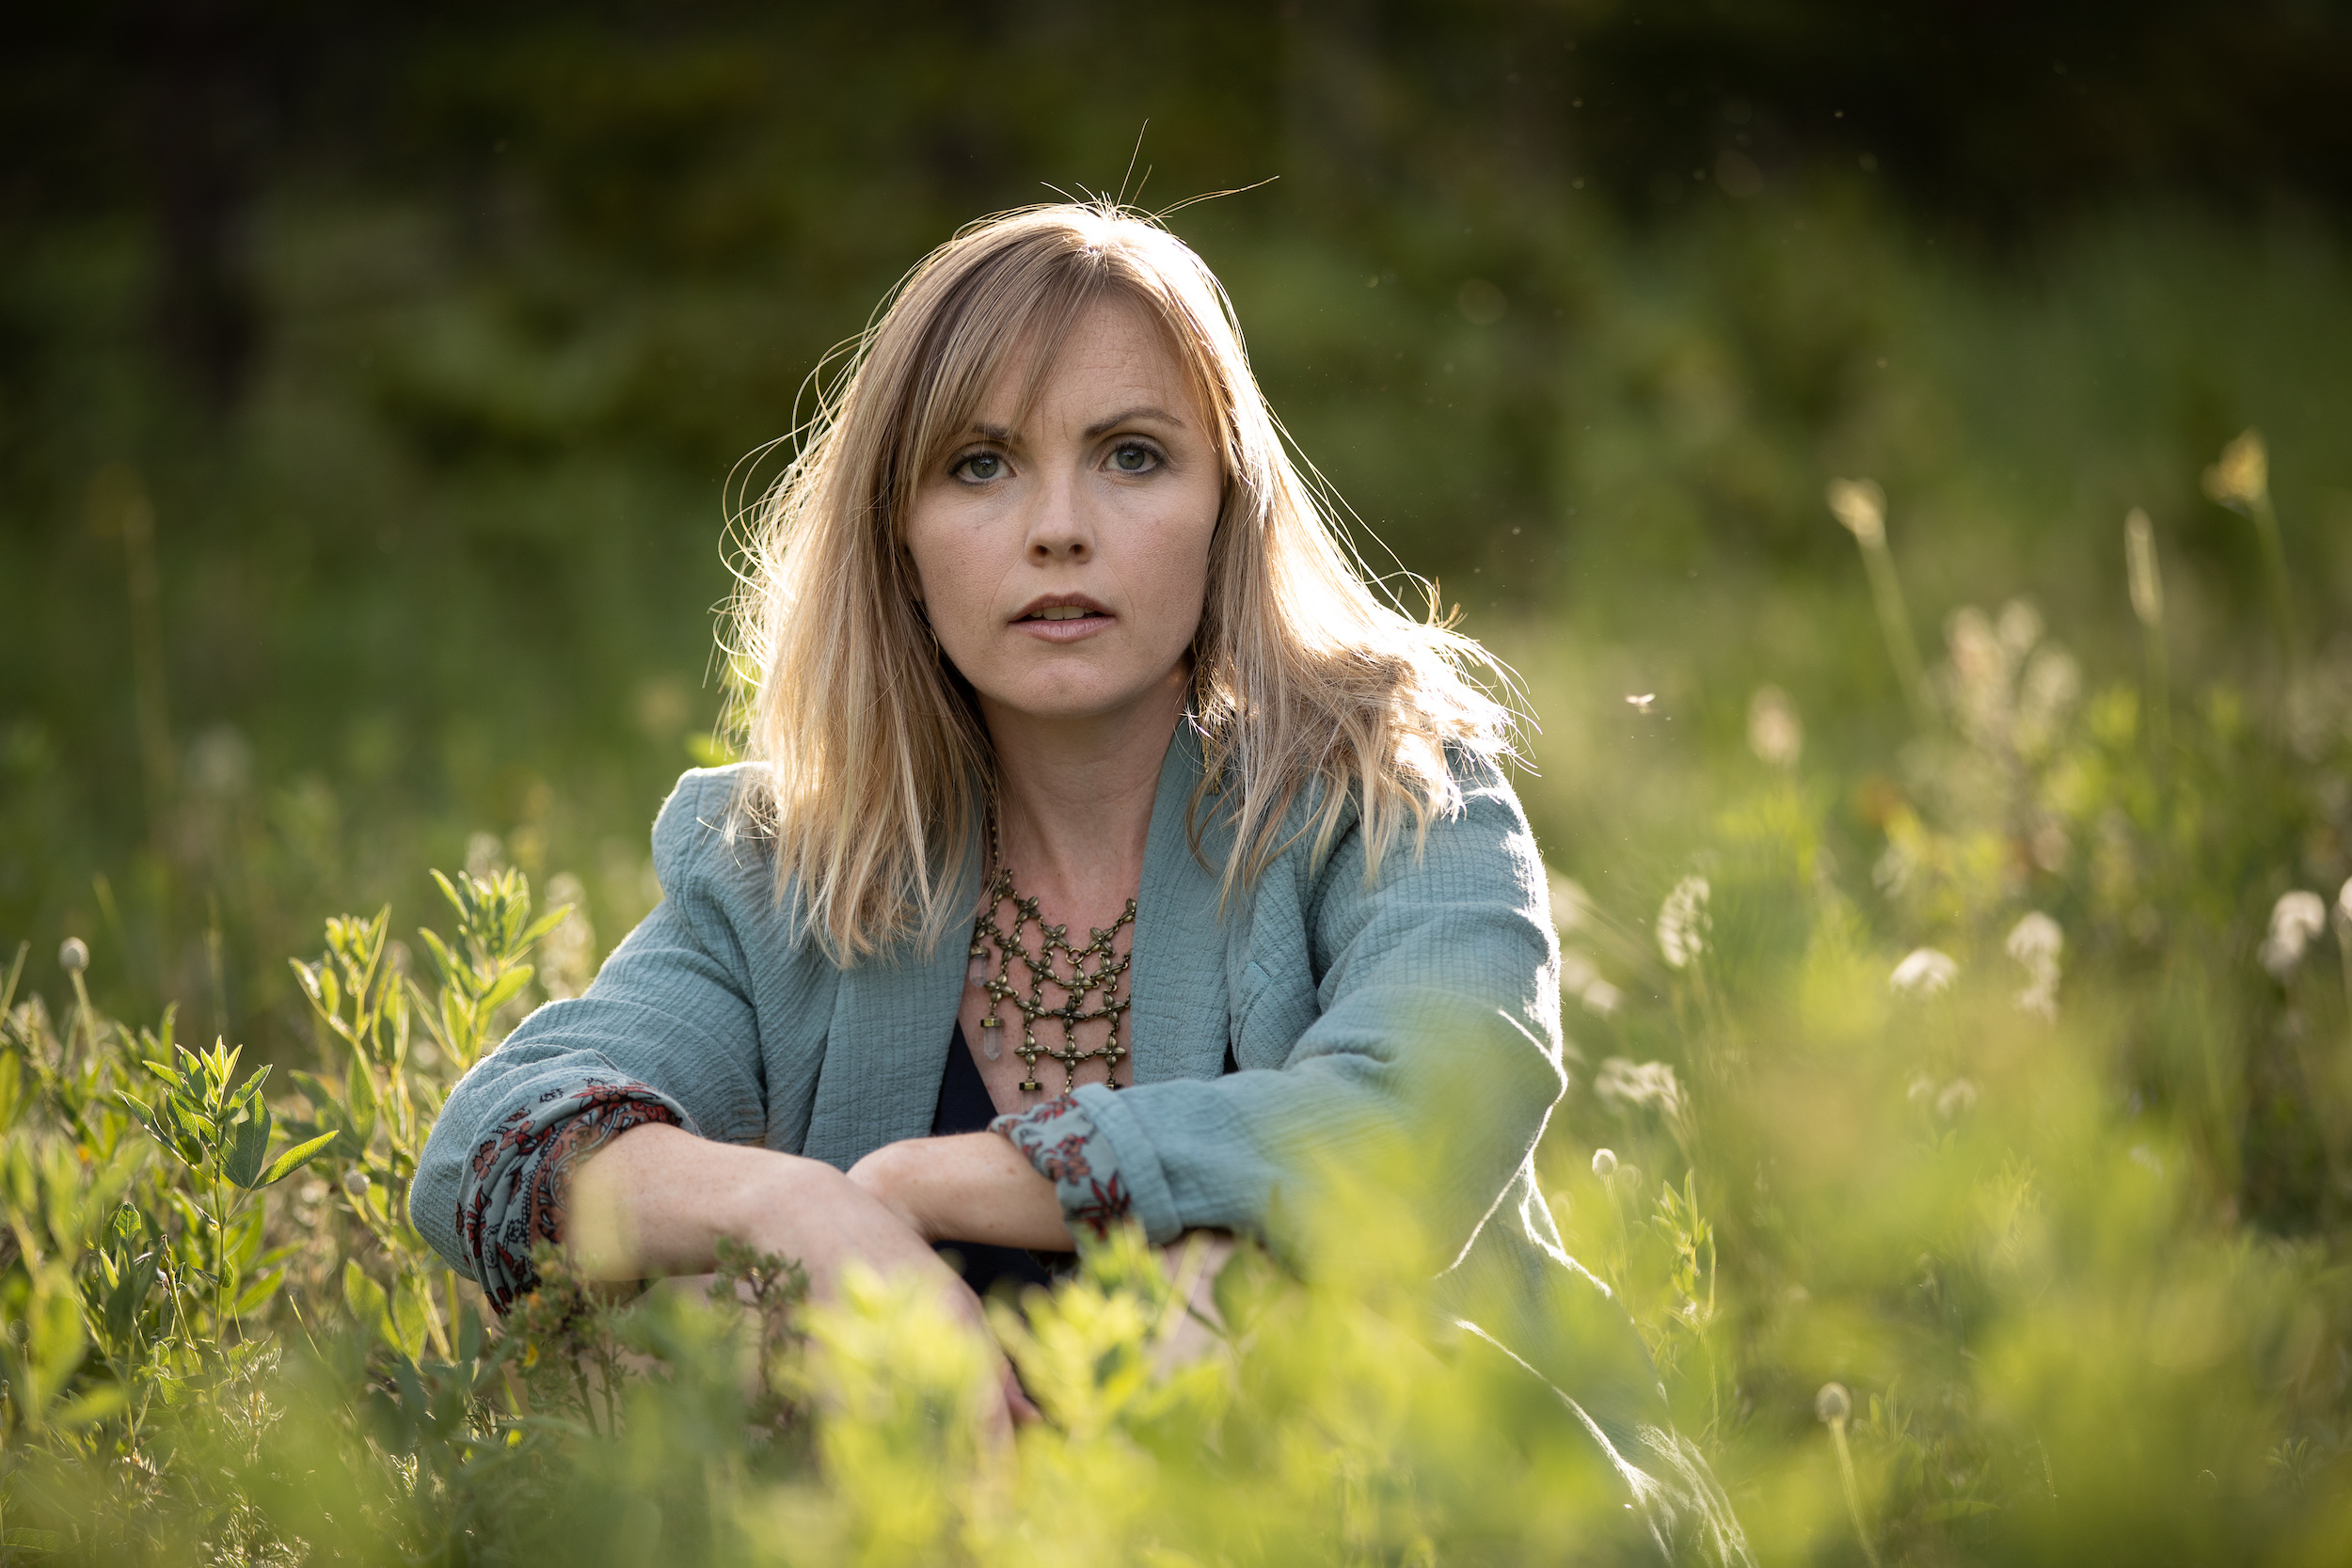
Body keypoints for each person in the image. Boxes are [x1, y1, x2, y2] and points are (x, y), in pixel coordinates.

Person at [412, 201, 1746, 1561]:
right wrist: (816, 1221)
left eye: (1131, 456)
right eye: (982, 465)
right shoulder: (787, 869)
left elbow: (1418, 1129)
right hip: (946, 1528)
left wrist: (952, 1182)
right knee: (665, 1336)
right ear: (899, 536)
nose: (1059, 528)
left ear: (1229, 505)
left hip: (1433, 1512)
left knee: (1229, 1296)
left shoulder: (1392, 793)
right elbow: (498, 1147)